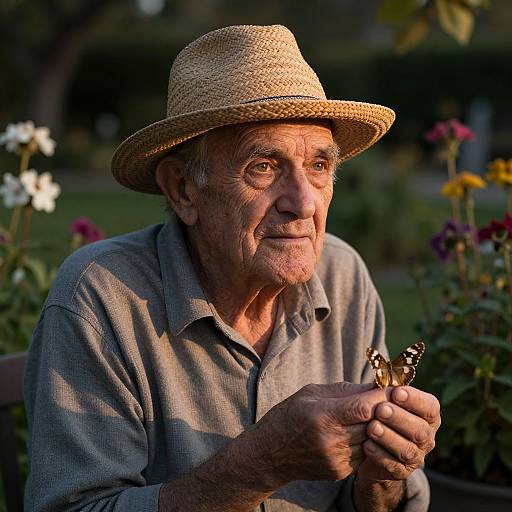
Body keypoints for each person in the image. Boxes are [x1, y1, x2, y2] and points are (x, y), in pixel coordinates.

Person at [24, 24, 440, 512]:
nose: (303, 202)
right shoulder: (101, 299)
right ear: (182, 189)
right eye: (263, 166)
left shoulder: (344, 275)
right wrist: (261, 464)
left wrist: (382, 475)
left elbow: (371, 501)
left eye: (320, 166)